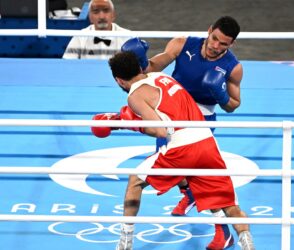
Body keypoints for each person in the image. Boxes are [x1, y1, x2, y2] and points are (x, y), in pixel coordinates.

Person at [90, 51, 254, 250]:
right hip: (207, 143)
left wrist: (129, 124)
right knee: (229, 205)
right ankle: (248, 244)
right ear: (139, 68)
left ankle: (125, 243)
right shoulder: (163, 77)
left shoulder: (135, 96)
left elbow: (159, 130)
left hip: (182, 148)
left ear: (119, 80)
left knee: (135, 181)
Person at [120, 16, 242, 249]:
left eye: (223, 44)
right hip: (169, 112)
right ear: (209, 30)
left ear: (231, 44)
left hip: (200, 120)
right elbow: (153, 68)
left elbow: (234, 104)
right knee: (178, 167)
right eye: (214, 39)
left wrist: (220, 93)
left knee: (199, 174)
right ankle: (190, 193)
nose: (216, 46)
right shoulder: (182, 44)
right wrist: (140, 60)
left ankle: (222, 231)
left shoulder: (233, 67)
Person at [62, 0, 131, 59]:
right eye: (96, 11)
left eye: (106, 10)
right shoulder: (80, 36)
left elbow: (139, 68)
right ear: (90, 17)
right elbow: (67, 64)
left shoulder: (127, 37)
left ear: (113, 15)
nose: (101, 17)